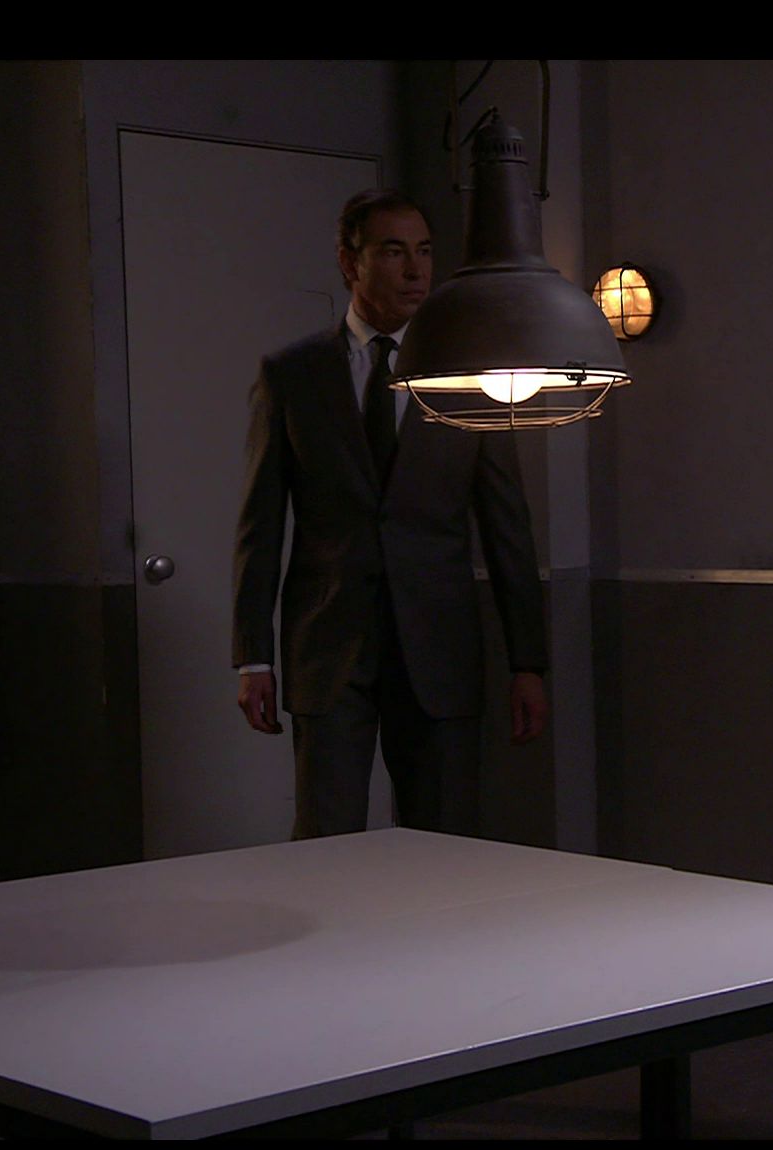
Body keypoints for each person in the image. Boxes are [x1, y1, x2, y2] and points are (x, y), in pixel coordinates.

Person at [231, 188, 549, 839]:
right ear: (350, 263)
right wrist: (252, 658)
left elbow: (507, 527)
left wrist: (528, 662)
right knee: (325, 840)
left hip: (439, 646)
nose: (415, 271)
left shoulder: (467, 375)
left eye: (424, 252)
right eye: (394, 252)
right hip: (330, 647)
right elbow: (260, 527)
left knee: (445, 841)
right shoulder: (292, 374)